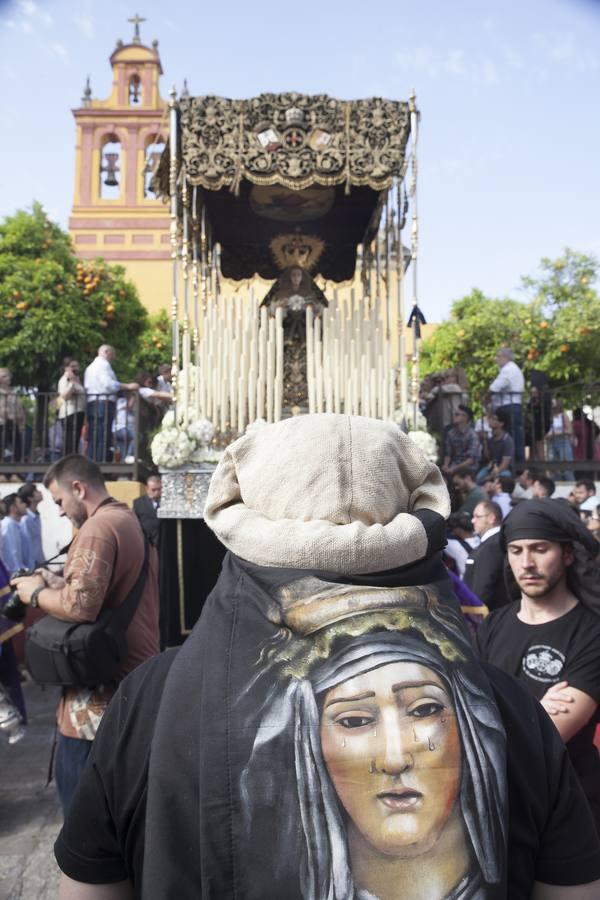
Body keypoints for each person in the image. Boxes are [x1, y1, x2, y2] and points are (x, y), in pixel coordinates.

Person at [53, 416, 600, 898]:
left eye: (424, 709)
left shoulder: (150, 704)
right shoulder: (512, 711)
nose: (393, 757)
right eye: (356, 719)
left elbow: (88, 885)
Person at [11, 454, 160, 814]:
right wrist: (56, 581)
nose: (60, 511)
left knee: (84, 816)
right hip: (132, 683)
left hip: (98, 701)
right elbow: (103, 593)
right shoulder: (125, 518)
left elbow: (80, 607)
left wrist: (33, 592)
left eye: (60, 501)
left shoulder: (97, 528)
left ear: (78, 488)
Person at [476, 498, 600, 832]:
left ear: (568, 554)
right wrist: (534, 711)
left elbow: (551, 736)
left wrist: (493, 714)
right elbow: (462, 715)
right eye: (516, 551)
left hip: (568, 814)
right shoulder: (493, 625)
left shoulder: (592, 633)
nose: (526, 563)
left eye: (540, 549)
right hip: (499, 808)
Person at [84, 345, 138, 463]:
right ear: (106, 352)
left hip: (93, 403)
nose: (114, 357)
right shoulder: (103, 365)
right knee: (103, 434)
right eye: (113, 354)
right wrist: (127, 386)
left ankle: (92, 461)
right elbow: (108, 384)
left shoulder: (90, 367)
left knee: (95, 434)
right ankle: (100, 461)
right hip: (103, 403)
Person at [464, 500, 511, 610]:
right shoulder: (494, 541)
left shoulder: (492, 545)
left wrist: (474, 614)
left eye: (477, 516)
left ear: (491, 518)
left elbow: (483, 586)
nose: (472, 520)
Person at [488, 347, 524, 462]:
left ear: (505, 357)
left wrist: (485, 399)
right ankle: (515, 464)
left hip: (509, 407)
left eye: (498, 356)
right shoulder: (511, 369)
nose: (496, 359)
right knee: (514, 436)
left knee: (511, 437)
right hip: (512, 406)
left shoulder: (509, 369)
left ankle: (515, 465)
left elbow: (495, 388)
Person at [57, 358, 86, 455]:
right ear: (66, 368)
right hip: (70, 413)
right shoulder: (65, 379)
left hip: (78, 413)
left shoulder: (77, 379)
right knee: (70, 442)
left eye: (76, 366)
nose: (75, 369)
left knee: (75, 442)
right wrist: (72, 383)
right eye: (72, 366)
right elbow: (64, 396)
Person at [477, 408, 514, 483]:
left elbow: (504, 464)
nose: (491, 420)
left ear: (501, 423)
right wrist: (484, 442)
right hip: (491, 467)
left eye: (494, 419)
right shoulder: (491, 439)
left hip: (503, 470)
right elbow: (488, 457)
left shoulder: (507, 440)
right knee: (478, 478)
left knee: (503, 477)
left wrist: (490, 476)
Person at [441, 405, 480, 475]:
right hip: (454, 465)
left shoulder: (472, 435)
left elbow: (470, 460)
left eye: (457, 414)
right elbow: (448, 453)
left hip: (469, 467)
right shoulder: (451, 433)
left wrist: (453, 469)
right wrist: (446, 465)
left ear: (465, 417)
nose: (454, 416)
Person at [0, 367, 26, 464]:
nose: (8, 378)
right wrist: (9, 415)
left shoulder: (14, 391)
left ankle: (14, 472)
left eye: (8, 376)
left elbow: (19, 406)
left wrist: (22, 420)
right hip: (2, 423)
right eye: (5, 376)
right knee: (2, 447)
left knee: (17, 447)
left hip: (13, 422)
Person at [17, 483, 44, 569]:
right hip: (32, 567)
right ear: (30, 498)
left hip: (40, 564)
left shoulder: (36, 516)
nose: (40, 492)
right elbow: (27, 548)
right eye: (36, 491)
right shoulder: (25, 520)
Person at [0, 492, 29, 575]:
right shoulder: (9, 524)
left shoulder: (14, 524)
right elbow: (12, 552)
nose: (25, 505)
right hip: (13, 574)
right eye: (21, 502)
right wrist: (18, 571)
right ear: (13, 508)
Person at [547, 399, 575, 481]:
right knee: (555, 469)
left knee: (567, 468)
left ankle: (571, 483)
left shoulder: (563, 416)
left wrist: (555, 433)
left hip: (563, 442)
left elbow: (569, 430)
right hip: (552, 442)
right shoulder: (550, 417)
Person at [133, 475, 161, 546]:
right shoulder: (138, 503)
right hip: (146, 543)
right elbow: (134, 523)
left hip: (163, 543)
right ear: (147, 489)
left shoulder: (167, 504)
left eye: (159, 489)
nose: (157, 492)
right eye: (153, 490)